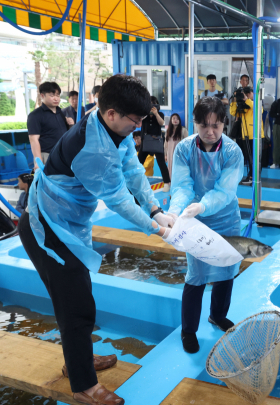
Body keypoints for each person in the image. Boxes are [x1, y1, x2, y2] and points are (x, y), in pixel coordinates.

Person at [18, 74, 176, 405]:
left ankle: (79, 360)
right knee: (76, 306)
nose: (137, 127)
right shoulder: (94, 149)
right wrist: (156, 229)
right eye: (134, 121)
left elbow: (133, 171)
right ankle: (84, 385)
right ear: (111, 114)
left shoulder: (108, 125)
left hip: (65, 222)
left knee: (76, 297)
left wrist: (157, 208)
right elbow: (119, 200)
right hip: (46, 228)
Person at [167, 96, 244, 354]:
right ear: (195, 123)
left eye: (216, 126)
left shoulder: (233, 152)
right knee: (196, 276)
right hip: (195, 222)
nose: (210, 132)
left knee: (226, 269)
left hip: (226, 219)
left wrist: (203, 205)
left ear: (224, 124)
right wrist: (176, 211)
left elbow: (225, 191)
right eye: (204, 126)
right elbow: (181, 185)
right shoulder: (184, 149)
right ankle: (188, 330)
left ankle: (217, 315)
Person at [27, 82, 69, 166]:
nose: (56, 98)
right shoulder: (35, 115)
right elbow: (33, 140)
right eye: (52, 95)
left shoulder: (61, 113)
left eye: (57, 95)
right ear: (42, 96)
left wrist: (71, 124)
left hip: (63, 155)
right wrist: (38, 162)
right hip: (47, 156)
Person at [229, 86, 264, 185]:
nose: (247, 95)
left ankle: (254, 177)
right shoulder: (242, 105)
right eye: (245, 93)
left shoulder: (256, 103)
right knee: (249, 157)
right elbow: (233, 112)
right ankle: (250, 176)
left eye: (249, 93)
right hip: (245, 135)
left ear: (253, 93)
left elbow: (259, 110)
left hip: (256, 136)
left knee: (256, 158)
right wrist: (235, 100)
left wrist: (246, 99)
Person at [138, 96, 171, 192]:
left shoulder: (160, 113)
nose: (152, 106)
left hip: (157, 141)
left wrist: (156, 113)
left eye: (154, 104)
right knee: (138, 163)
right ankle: (134, 181)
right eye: (150, 104)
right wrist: (146, 112)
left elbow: (162, 123)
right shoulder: (143, 114)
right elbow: (139, 122)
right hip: (146, 141)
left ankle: (166, 183)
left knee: (161, 163)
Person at [165, 113, 188, 182]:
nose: (175, 120)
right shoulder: (168, 131)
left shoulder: (183, 130)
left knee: (178, 168)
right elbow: (165, 144)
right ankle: (171, 183)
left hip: (179, 153)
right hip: (169, 153)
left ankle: (178, 183)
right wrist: (165, 154)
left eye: (177, 119)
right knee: (170, 167)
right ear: (171, 120)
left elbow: (187, 143)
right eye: (174, 118)